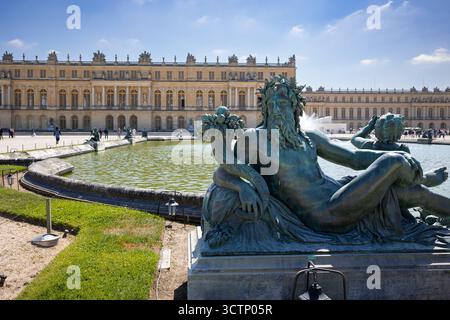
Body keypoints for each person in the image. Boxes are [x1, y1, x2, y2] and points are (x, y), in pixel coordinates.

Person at [203, 75, 450, 249]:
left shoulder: (309, 138)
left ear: (295, 108)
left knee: (414, 193)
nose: (280, 108)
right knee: (394, 160)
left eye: (285, 103)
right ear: (265, 108)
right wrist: (243, 187)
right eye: (273, 103)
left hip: (342, 197)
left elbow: (354, 158)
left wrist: (385, 160)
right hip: (325, 214)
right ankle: (423, 175)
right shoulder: (253, 139)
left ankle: (420, 181)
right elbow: (222, 173)